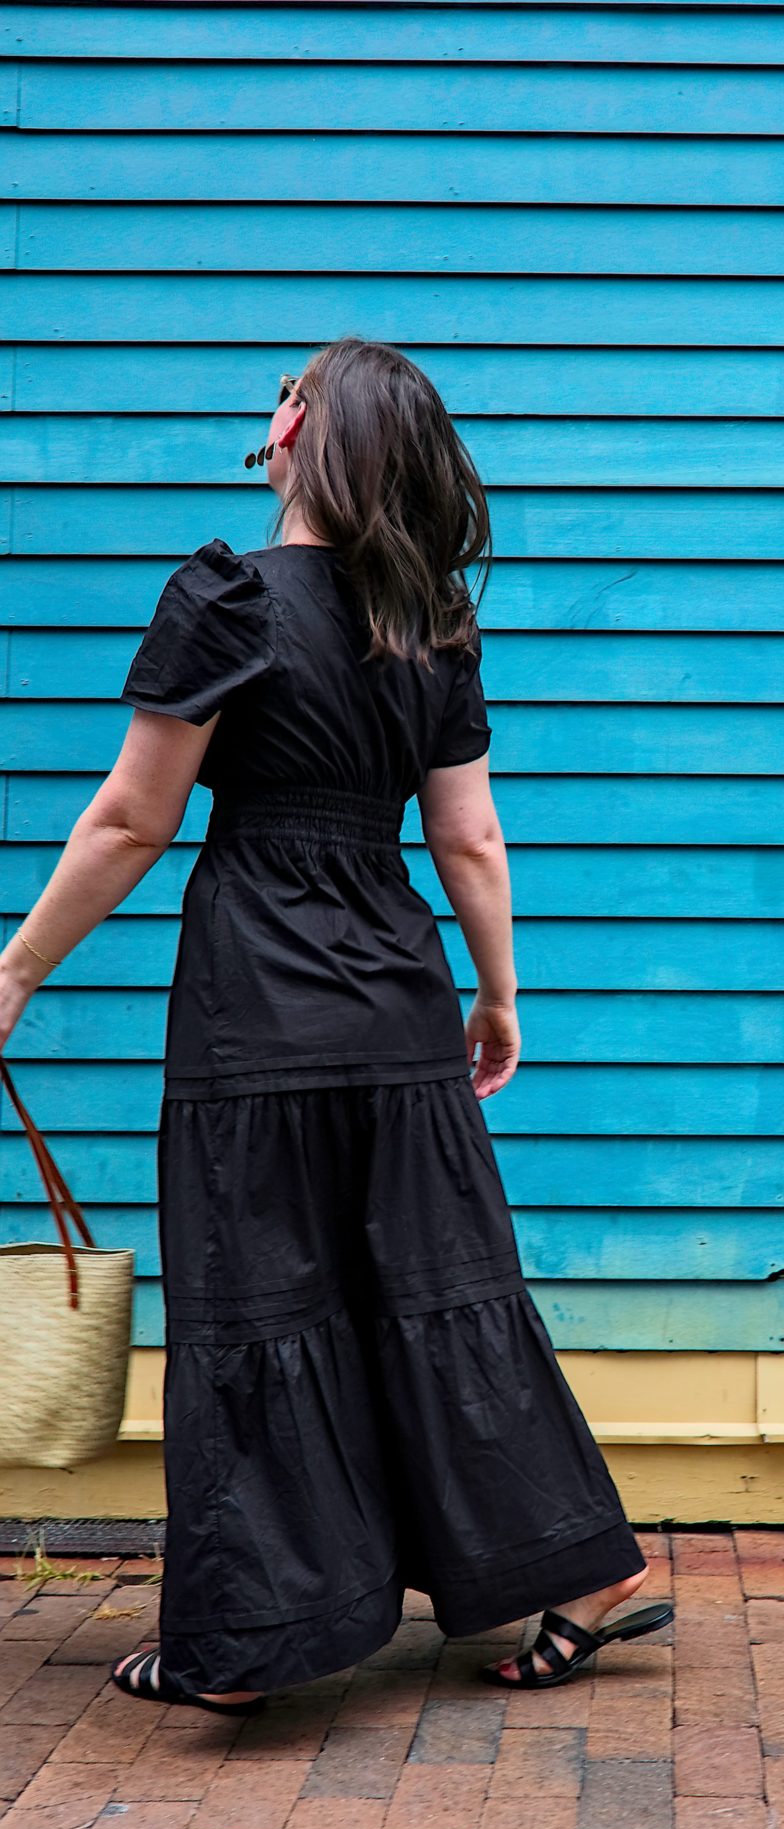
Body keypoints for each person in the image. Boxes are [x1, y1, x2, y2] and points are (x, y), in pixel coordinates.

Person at [0, 336, 673, 1712]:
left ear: (299, 426)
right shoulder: (430, 619)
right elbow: (470, 841)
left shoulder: (225, 598)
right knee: (443, 1295)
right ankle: (575, 1569)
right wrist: (496, 997)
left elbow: (135, 819)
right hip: (398, 992)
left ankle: (249, 1643)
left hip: (258, 1000)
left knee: (263, 1306)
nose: (271, 403)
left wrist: (13, 974)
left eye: (285, 388)